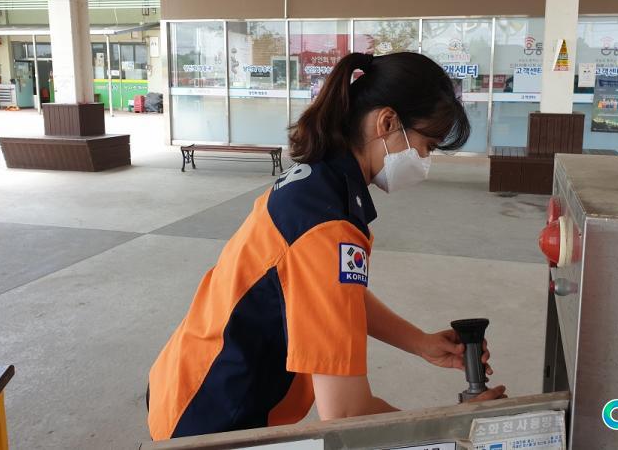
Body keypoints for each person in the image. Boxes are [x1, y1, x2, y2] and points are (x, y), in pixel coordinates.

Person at [147, 52, 507, 440]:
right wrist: (453, 428)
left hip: (189, 377)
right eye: (427, 145)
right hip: (209, 420)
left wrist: (420, 343)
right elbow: (346, 414)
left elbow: (331, 295)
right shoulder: (327, 226)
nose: (424, 160)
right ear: (387, 122)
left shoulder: (318, 182)